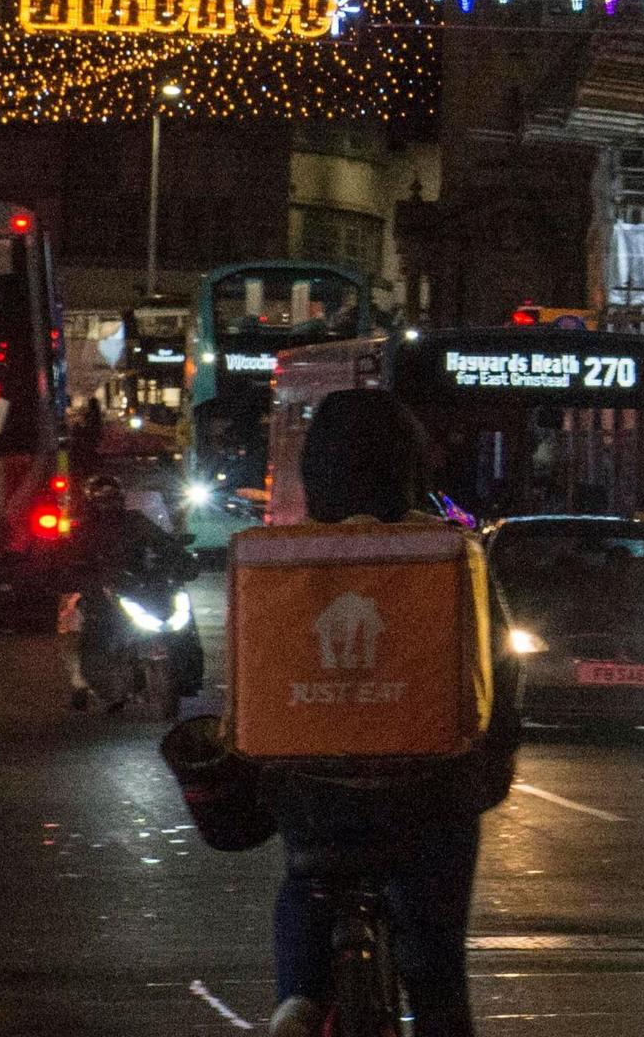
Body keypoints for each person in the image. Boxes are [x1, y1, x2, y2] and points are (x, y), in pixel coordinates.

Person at [261, 391, 521, 1037]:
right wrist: (497, 757)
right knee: (436, 972)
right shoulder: (449, 553)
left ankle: (299, 996)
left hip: (315, 787)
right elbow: (500, 668)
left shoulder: (278, 560)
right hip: (431, 792)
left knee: (305, 881)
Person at [64, 471, 198, 711]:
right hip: (103, 592)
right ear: (92, 501)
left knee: (185, 625)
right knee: (91, 627)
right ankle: (87, 681)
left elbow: (163, 543)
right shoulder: (83, 530)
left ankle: (187, 675)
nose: (109, 503)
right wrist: (83, 575)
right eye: (103, 498)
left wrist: (181, 560)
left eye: (113, 497)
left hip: (139, 587)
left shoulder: (136, 521)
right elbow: (70, 559)